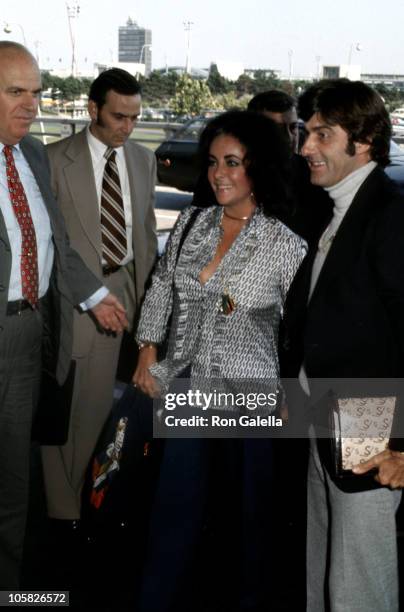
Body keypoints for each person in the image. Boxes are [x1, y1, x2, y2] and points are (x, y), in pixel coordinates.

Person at [132, 110, 306, 611]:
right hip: (186, 389)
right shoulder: (190, 223)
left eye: (233, 162)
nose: (218, 173)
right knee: (174, 513)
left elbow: (296, 332)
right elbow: (162, 287)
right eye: (212, 162)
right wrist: (147, 349)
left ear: (259, 168)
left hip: (251, 402)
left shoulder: (286, 245)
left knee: (246, 526)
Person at [0, 41, 128, 589]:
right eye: (15, 92)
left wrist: (95, 296)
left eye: (36, 93)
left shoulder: (29, 155)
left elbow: (57, 245)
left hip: (28, 336)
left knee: (13, 483)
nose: (31, 105)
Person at [280, 78, 404, 612]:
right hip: (325, 406)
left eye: (321, 135)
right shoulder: (335, 208)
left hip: (368, 417)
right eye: (304, 133)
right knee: (323, 556)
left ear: (364, 140)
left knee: (359, 575)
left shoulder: (390, 215)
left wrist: (402, 446)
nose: (305, 148)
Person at [40, 68, 157, 528]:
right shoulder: (52, 159)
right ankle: (64, 512)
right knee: (77, 411)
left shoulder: (143, 162)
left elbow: (145, 237)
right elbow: (52, 242)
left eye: (134, 118)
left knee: (111, 410)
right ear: (92, 110)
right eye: (118, 117)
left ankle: (83, 506)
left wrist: (153, 310)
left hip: (130, 292)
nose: (127, 128)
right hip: (80, 297)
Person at [247, 89, 333, 246]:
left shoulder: (314, 175)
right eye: (276, 129)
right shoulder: (229, 175)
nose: (288, 137)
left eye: (293, 127)